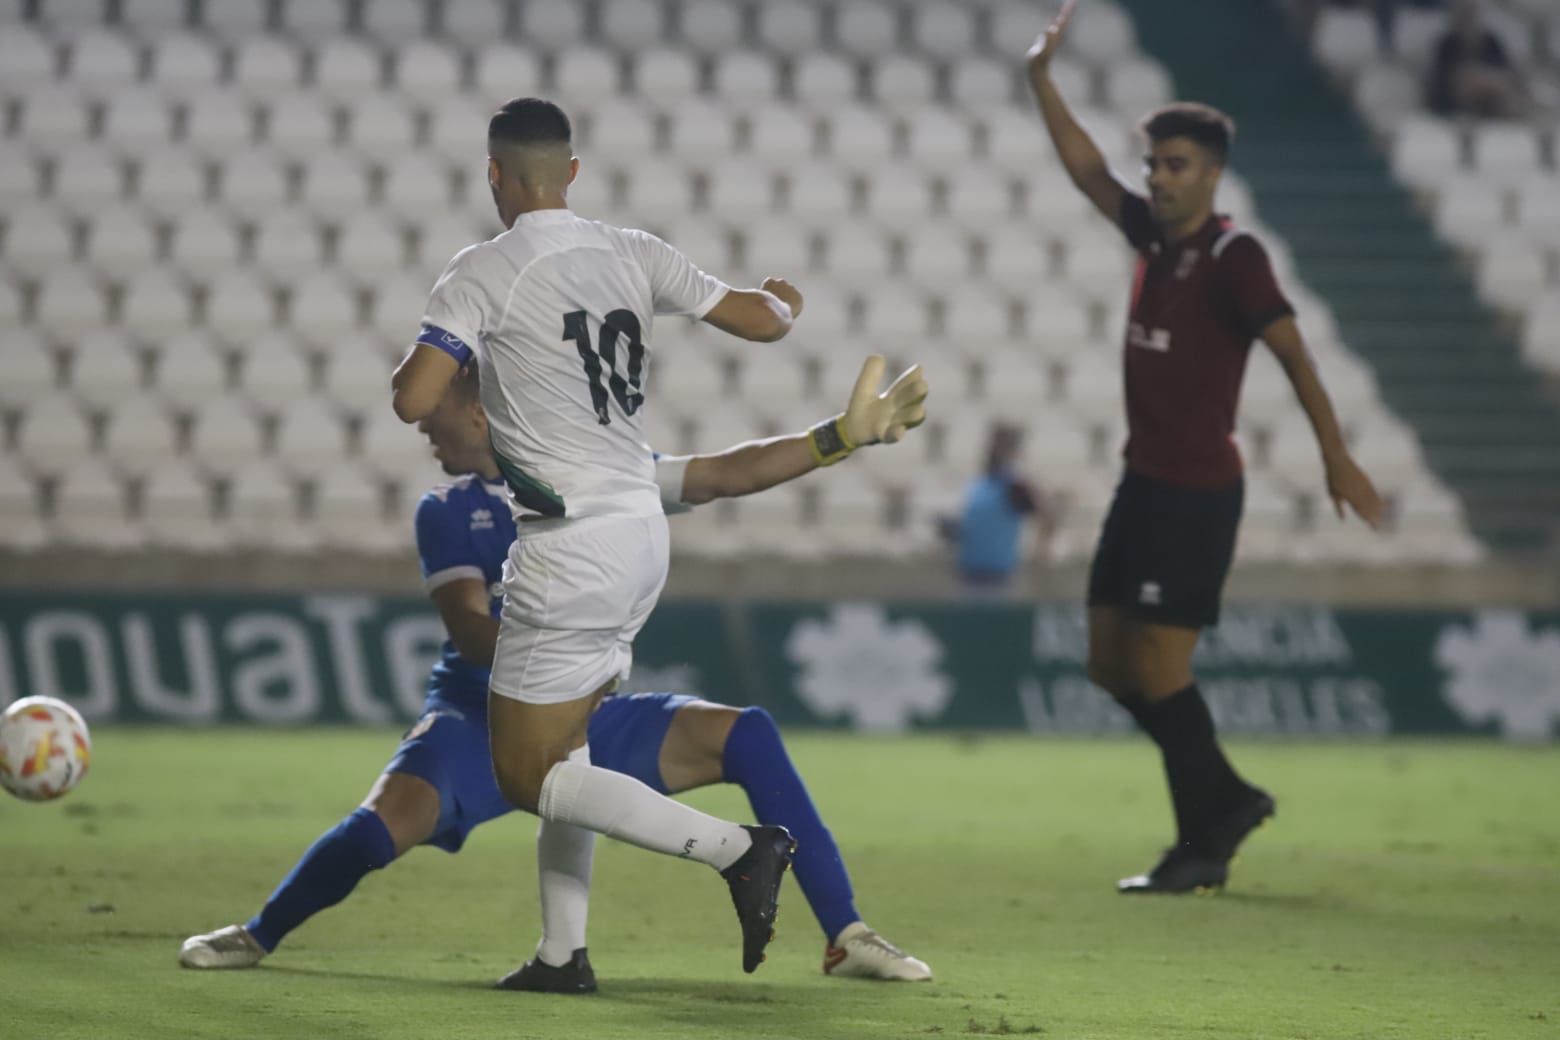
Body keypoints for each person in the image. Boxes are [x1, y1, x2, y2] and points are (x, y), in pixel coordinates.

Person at [179, 356, 932, 986]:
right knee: (376, 834)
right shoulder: (449, 510)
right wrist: (554, 652)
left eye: (432, 409)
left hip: (582, 703)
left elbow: (724, 475)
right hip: (475, 717)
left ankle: (844, 937)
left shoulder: (597, 473)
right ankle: (258, 934)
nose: (421, 424)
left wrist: (837, 438)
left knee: (746, 735)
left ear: (478, 413)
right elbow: (472, 633)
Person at [389, 97, 807, 973]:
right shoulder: (635, 250)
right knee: (568, 745)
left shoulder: (484, 269)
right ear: (572, 173)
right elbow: (761, 321)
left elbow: (415, 399)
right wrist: (785, 304)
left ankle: (737, 851)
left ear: (495, 174)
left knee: (526, 775)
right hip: (643, 530)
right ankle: (562, 953)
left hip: (567, 544)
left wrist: (459, 346)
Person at [1025, 2, 1385, 894]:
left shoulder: (1236, 257)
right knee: (1108, 664)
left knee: (1157, 666)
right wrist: (1041, 78)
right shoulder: (1152, 234)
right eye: (1153, 163)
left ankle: (1202, 843)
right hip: (1140, 485)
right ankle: (1224, 795)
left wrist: (1337, 457)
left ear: (1213, 174)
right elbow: (1084, 173)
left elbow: (1296, 356)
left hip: (1196, 491)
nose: (1156, 178)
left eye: (1175, 165)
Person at [951, 424, 1053, 588]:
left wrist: (1039, 553)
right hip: (969, 570)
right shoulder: (978, 484)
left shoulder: (1014, 485)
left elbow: (1046, 514)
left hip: (998, 575)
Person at [1426, 0, 1529, 119]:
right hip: (1452, 102)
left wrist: (1487, 78)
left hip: (1493, 97)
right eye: (1465, 13)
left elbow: (1506, 72)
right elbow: (1442, 79)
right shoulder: (1447, 44)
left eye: (1472, 12)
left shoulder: (1492, 42)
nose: (1469, 18)